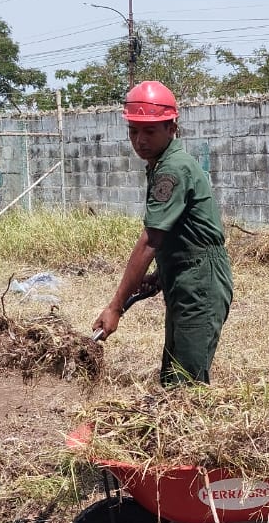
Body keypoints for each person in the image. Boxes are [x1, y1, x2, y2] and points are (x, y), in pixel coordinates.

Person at [92, 80, 233, 385]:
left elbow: (150, 241)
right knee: (172, 375)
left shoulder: (172, 169)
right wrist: (159, 275)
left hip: (200, 281)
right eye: (133, 131)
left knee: (187, 384)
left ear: (171, 128)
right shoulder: (162, 164)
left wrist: (115, 306)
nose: (139, 140)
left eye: (149, 131)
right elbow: (184, 230)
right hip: (185, 275)